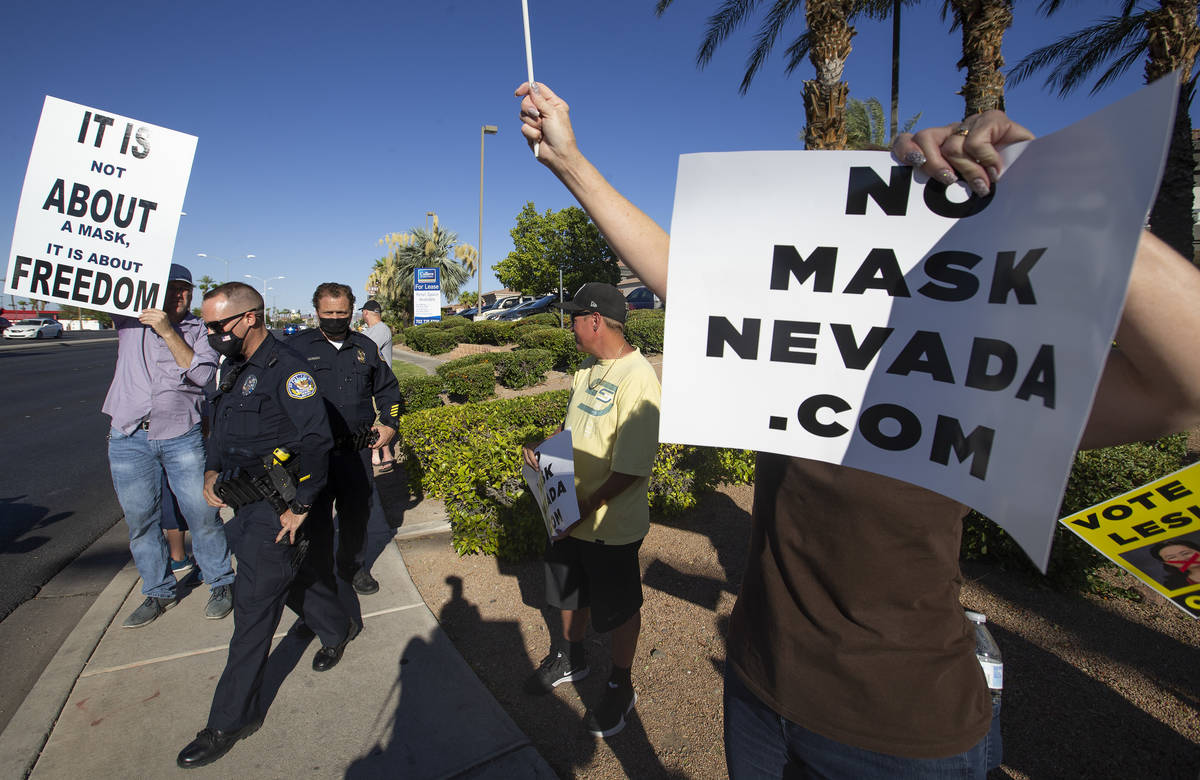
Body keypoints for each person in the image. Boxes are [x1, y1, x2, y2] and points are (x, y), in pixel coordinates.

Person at [514, 81, 1200, 775]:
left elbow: (1185, 386)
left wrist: (1050, 191)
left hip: (898, 732)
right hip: (755, 689)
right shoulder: (789, 359)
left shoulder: (976, 380)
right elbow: (683, 276)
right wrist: (568, 161)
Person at [177, 282, 358, 769]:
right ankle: (338, 626)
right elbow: (218, 425)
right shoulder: (233, 366)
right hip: (242, 503)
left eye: (218, 325)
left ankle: (230, 719)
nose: (211, 334)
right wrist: (212, 471)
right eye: (207, 325)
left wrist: (300, 507)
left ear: (251, 318)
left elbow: (317, 441)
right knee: (292, 579)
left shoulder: (289, 371)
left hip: (277, 506)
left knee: (253, 611)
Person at [521, 281, 661, 738]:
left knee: (619, 608)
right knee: (567, 591)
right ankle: (571, 656)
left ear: (596, 320)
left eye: (575, 317)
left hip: (607, 524)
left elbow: (632, 470)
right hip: (568, 512)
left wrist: (585, 507)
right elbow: (573, 429)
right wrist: (546, 450)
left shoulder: (638, 379)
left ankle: (621, 683)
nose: (570, 325)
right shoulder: (588, 367)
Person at [102, 262, 234, 628]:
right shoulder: (129, 321)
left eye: (185, 289)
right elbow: (99, 286)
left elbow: (203, 374)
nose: (180, 295)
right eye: (173, 288)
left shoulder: (200, 330)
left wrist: (166, 331)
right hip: (129, 436)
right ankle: (158, 591)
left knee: (202, 513)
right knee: (141, 520)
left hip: (181, 434)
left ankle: (220, 582)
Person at [289, 284, 401, 596]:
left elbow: (389, 390)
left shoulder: (365, 347)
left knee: (357, 514)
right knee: (318, 518)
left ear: (352, 312)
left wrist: (390, 423)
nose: (336, 318)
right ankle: (319, 571)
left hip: (356, 452)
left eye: (342, 313)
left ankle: (353, 566)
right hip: (314, 455)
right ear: (317, 313)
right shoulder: (295, 348)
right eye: (329, 313)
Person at [360, 299, 396, 473]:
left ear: (366, 313)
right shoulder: (372, 330)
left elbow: (363, 350)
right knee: (376, 420)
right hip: (371, 382)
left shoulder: (381, 330)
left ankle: (380, 456)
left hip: (380, 383)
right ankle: (385, 455)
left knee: (377, 420)